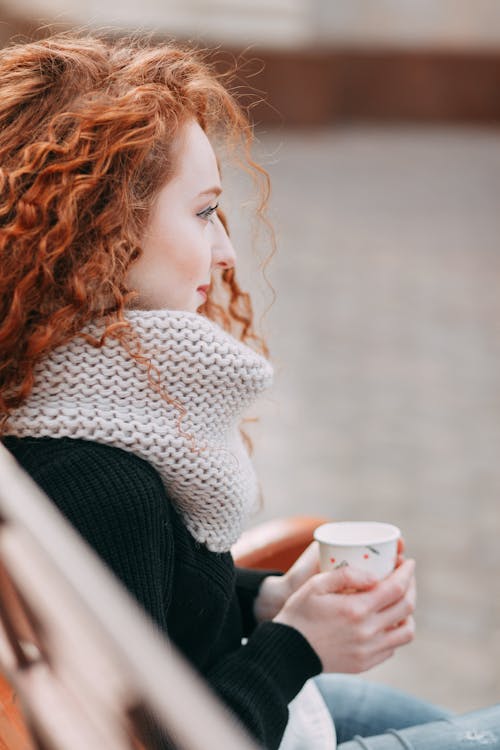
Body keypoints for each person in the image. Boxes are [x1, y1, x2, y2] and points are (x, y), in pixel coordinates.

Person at [0, 33, 498, 750]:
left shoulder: (43, 391)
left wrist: (266, 600)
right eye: (203, 212)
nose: (228, 251)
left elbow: (142, 603)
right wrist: (297, 645)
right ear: (99, 233)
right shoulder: (96, 471)